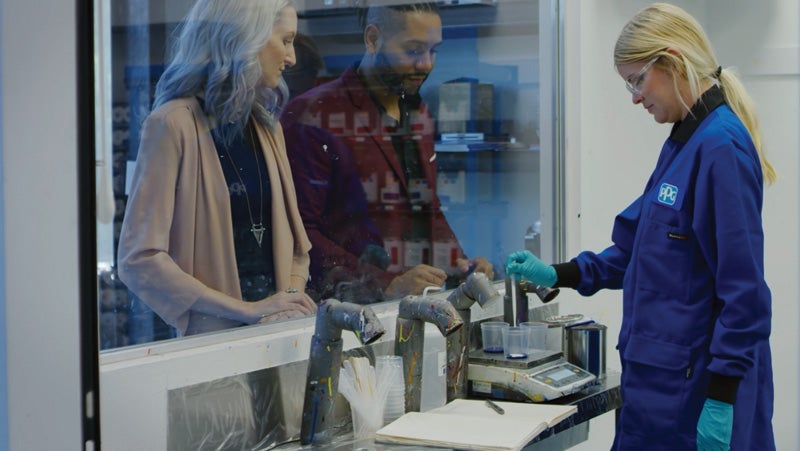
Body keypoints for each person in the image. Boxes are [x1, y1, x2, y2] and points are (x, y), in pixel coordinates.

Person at [506, 3, 775, 450]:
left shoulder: (720, 148)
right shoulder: (683, 144)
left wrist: (723, 399)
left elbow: (744, 294)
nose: (634, 97)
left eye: (636, 80)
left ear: (670, 61)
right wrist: (560, 274)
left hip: (694, 398)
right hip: (657, 394)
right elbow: (636, 251)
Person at [118, 0, 317, 337]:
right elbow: (140, 260)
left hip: (278, 339)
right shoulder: (171, 125)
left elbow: (297, 246)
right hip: (212, 349)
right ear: (246, 38)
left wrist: (291, 299)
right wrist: (247, 310)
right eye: (285, 40)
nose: (292, 57)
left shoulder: (268, 128)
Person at [281, 1, 493, 303]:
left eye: (434, 50)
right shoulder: (312, 114)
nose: (427, 64)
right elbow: (301, 234)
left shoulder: (417, 112)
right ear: (372, 39)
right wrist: (385, 283)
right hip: (344, 310)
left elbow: (426, 205)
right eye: (414, 50)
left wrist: (461, 264)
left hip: (411, 306)